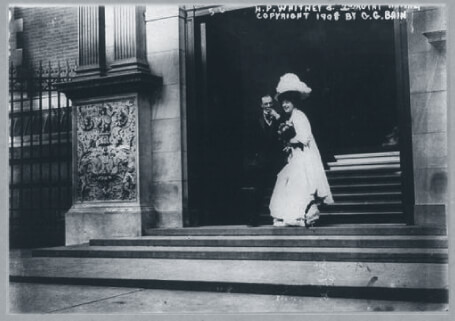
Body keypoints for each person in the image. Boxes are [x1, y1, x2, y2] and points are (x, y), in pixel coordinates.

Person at [269, 73, 334, 227]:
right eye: (283, 102)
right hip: (296, 156)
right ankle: (292, 215)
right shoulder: (290, 118)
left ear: (294, 102)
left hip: (303, 157)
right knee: (288, 182)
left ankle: (302, 215)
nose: (285, 105)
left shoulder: (299, 116)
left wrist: (289, 140)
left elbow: (304, 138)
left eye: (288, 102)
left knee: (299, 184)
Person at [246, 94, 284, 226]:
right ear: (261, 106)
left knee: (280, 190)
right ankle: (253, 219)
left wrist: (278, 118)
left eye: (270, 104)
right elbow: (250, 141)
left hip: (277, 161)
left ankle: (280, 217)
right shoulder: (256, 120)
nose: (268, 106)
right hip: (261, 162)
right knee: (259, 190)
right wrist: (255, 158)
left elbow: (286, 133)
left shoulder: (279, 118)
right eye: (265, 104)